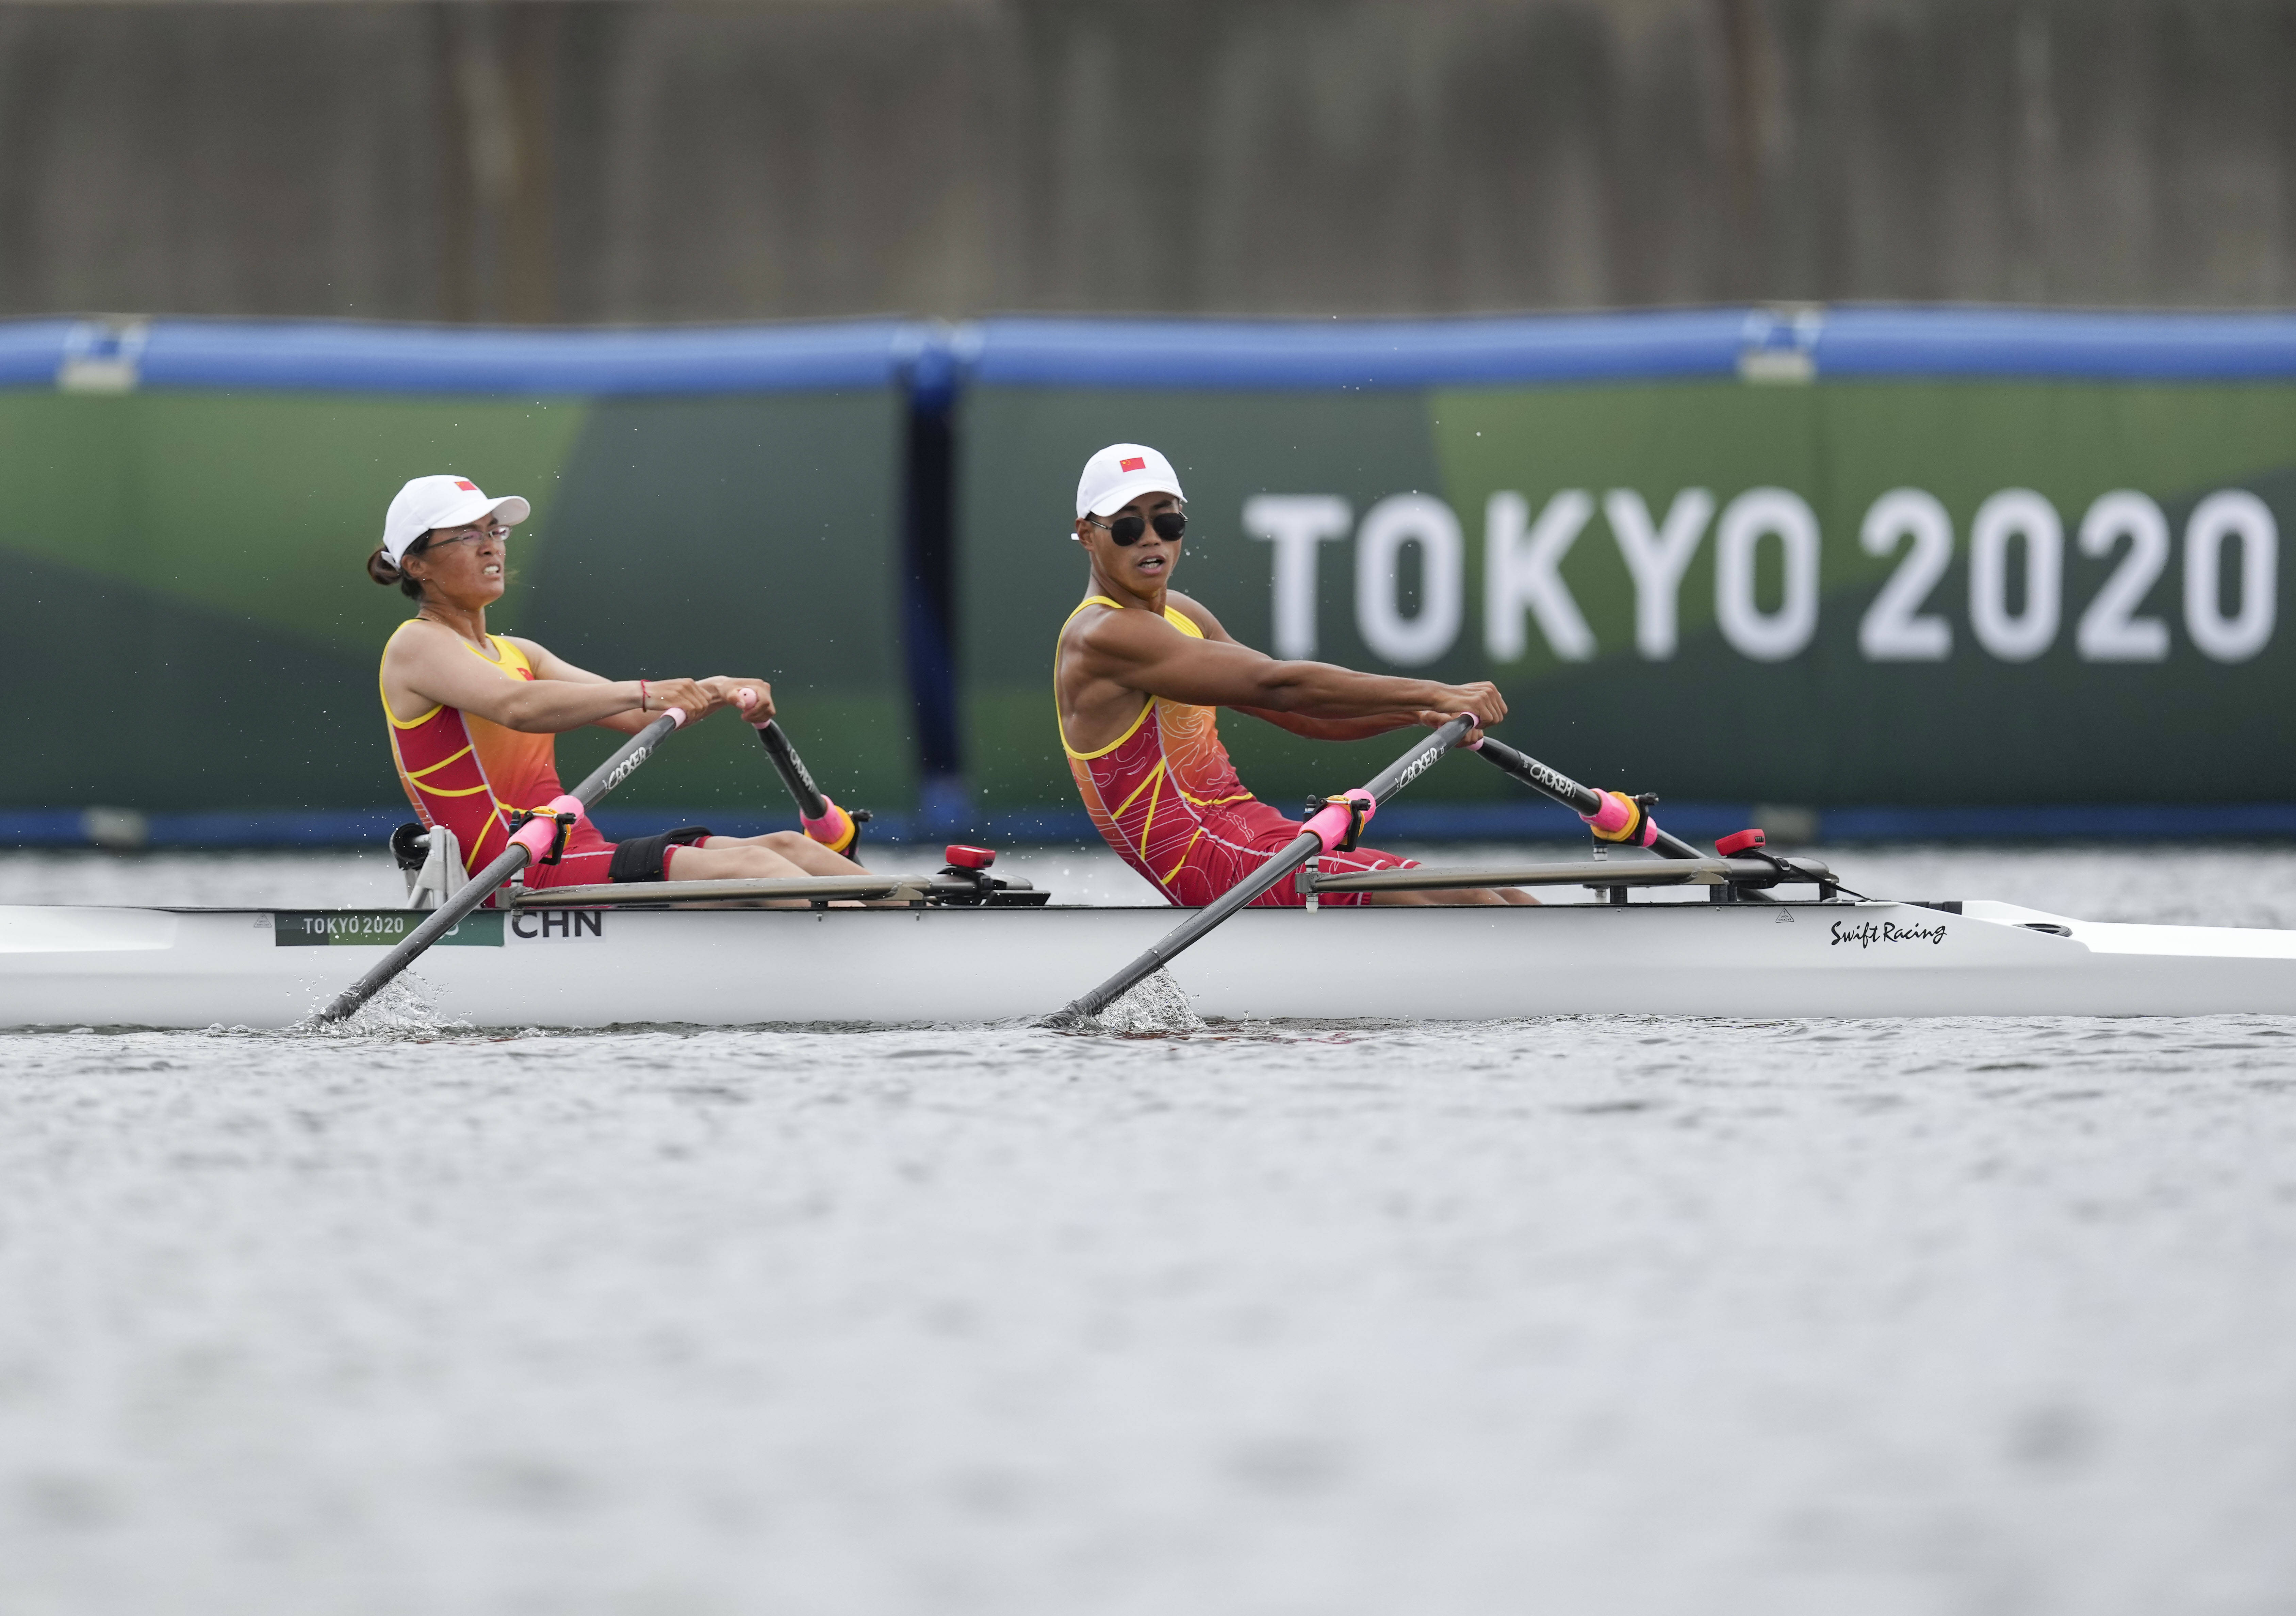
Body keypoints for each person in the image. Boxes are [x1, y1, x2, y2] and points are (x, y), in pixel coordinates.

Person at [1054, 444, 1535, 908]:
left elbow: (1308, 718)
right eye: (1128, 525)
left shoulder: (1183, 614)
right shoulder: (1101, 635)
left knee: (1502, 894)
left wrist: (1416, 712)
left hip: (1258, 835)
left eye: (1167, 519)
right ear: (1086, 532)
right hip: (1209, 866)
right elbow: (1278, 686)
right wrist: (1437, 691)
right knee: (1466, 898)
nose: (1151, 537)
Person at [368, 474, 869, 899]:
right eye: (465, 535)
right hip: (514, 874)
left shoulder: (522, 652)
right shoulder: (417, 645)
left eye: (494, 530)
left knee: (787, 847)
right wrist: (645, 690)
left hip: (577, 853)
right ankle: (878, 959)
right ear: (416, 564)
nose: (490, 544)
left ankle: (914, 916)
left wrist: (719, 689)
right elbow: (517, 705)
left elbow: (638, 720)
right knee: (759, 872)